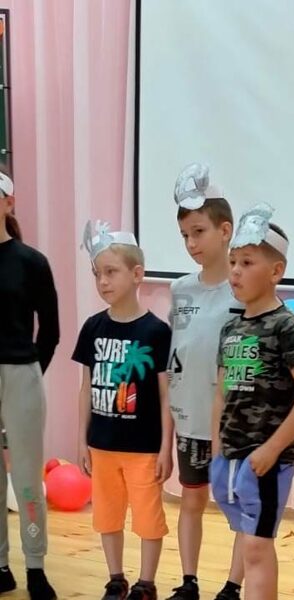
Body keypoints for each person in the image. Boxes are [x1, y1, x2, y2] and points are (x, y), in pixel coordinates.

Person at [210, 204, 294, 600]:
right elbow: (221, 391)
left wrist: (273, 448)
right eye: (233, 262)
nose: (235, 271)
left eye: (247, 262)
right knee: (245, 537)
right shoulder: (231, 328)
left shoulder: (287, 327)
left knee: (257, 546)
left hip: (268, 459)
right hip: (231, 455)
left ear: (275, 271)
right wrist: (216, 448)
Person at [73, 221, 172, 600]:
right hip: (102, 445)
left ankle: (146, 583)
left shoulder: (156, 332)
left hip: (143, 448)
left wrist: (165, 448)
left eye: (111, 272)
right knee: (107, 516)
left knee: (148, 519)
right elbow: (86, 388)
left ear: (137, 274)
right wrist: (82, 441)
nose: (103, 281)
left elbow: (165, 396)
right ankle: (116, 578)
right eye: (97, 273)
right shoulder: (92, 327)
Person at [167, 164, 244, 600]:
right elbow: (175, 359)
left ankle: (233, 586)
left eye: (199, 232)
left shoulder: (244, 289)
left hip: (234, 426)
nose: (192, 243)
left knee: (241, 508)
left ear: (225, 230)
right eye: (185, 236)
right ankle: (189, 581)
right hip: (190, 421)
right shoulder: (180, 290)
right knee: (191, 500)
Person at [0, 171, 59, 600]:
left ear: (8, 202)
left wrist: (31, 371)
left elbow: (50, 331)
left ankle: (35, 565)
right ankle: (0, 565)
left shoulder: (31, 262)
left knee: (25, 477)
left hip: (21, 374)